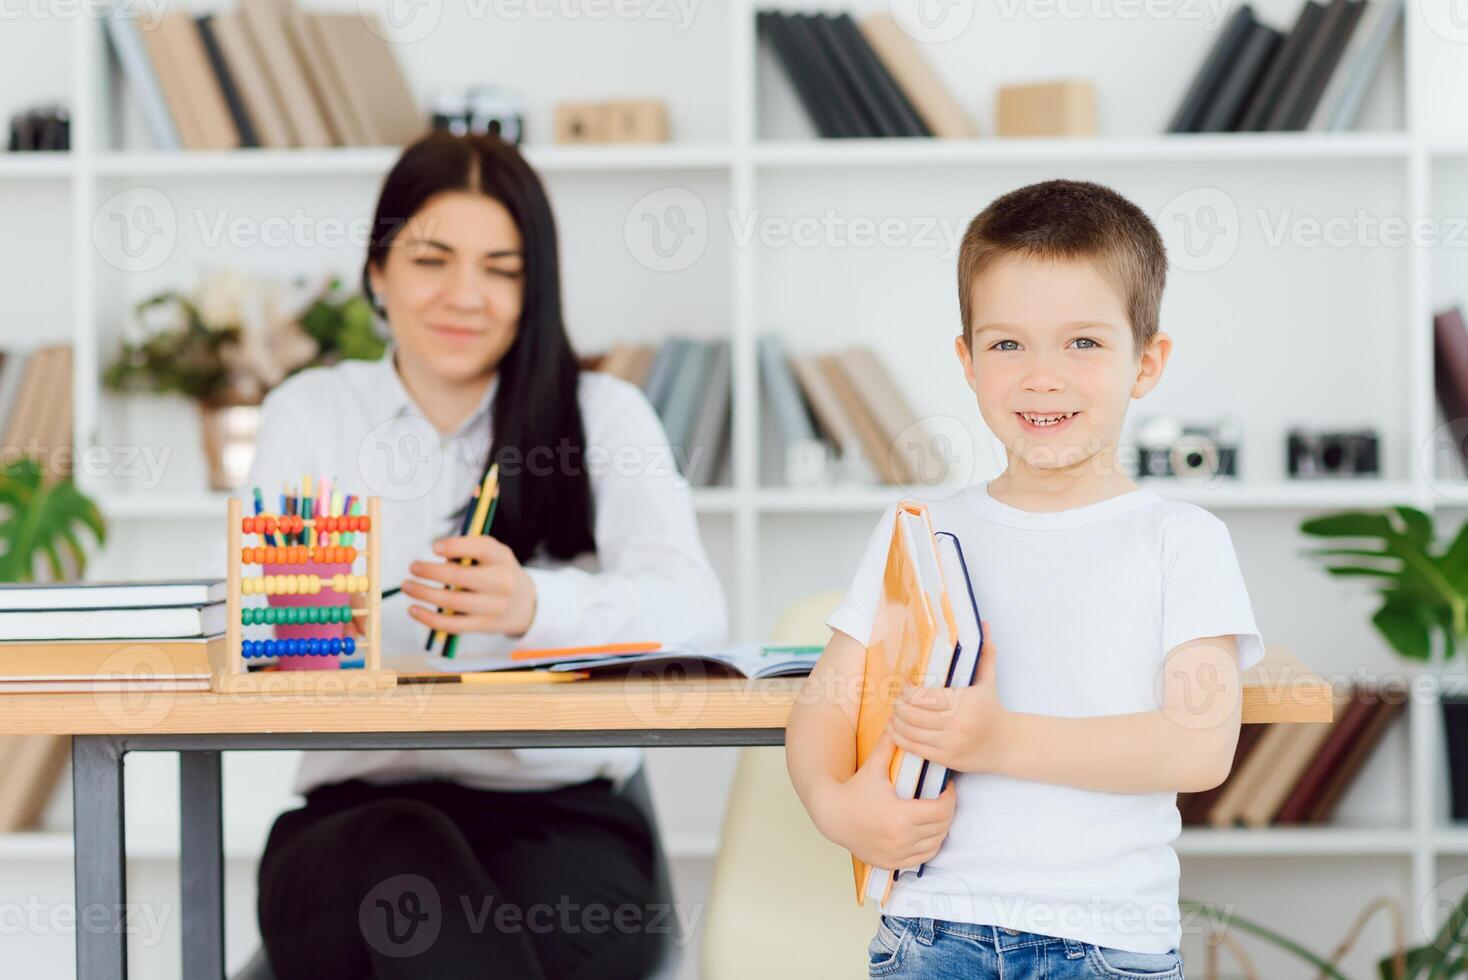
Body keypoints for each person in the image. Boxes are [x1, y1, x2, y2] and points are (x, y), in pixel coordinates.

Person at [246, 131, 727, 979]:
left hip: (559, 824)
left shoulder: (602, 414)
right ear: (377, 270)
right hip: (352, 827)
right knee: (405, 851)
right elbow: (272, 635)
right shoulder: (309, 415)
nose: (466, 295)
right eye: (432, 259)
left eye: (502, 269)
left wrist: (536, 607)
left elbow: (695, 608)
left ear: (533, 287)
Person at [785, 178, 1264, 979]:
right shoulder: (920, 533)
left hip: (1107, 944)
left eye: (1083, 343)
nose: (1043, 376)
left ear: (1147, 362)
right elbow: (824, 706)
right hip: (932, 933)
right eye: (1008, 345)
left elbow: (1198, 746)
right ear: (968, 362)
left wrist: (1000, 740)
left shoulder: (1182, 540)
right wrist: (838, 810)